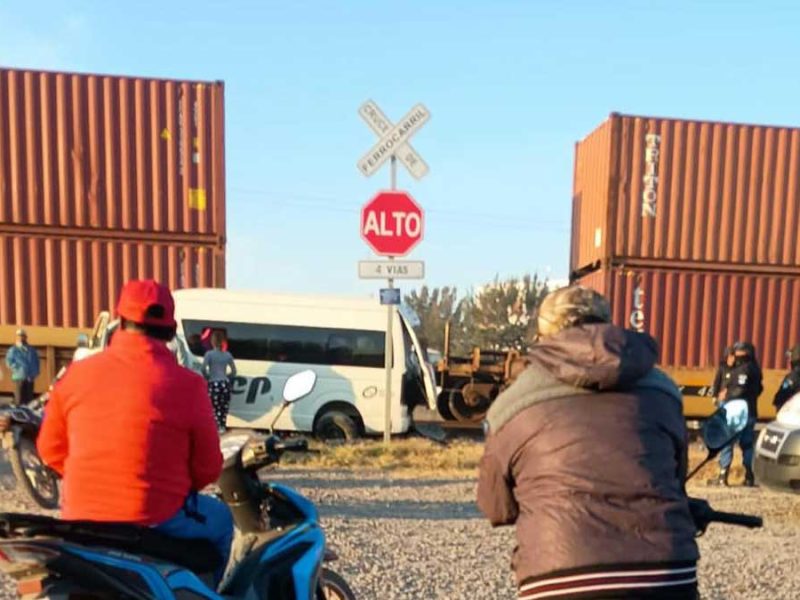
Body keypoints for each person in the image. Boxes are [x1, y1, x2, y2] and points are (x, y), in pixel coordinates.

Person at [477, 285, 699, 600]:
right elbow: (676, 477)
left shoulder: (512, 405)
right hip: (665, 570)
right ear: (607, 322)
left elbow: (496, 507)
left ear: (544, 332)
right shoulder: (662, 390)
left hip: (559, 574)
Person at [36, 280, 232, 583]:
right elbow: (207, 468)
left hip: (80, 517)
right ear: (170, 330)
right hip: (154, 518)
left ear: (120, 321)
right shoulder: (187, 385)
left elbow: (50, 449)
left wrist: (95, 480)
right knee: (221, 521)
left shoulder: (77, 375)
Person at [712, 340, 763, 487]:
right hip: (750, 411)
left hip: (737, 413)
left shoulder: (744, 369)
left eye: (737, 352)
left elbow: (740, 389)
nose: (734, 354)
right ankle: (750, 476)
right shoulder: (755, 368)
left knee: (727, 443)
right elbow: (759, 390)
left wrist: (726, 395)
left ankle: (723, 477)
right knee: (747, 445)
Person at [202, 330, 237, 431]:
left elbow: (203, 369)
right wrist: (226, 377)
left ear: (212, 341)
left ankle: (214, 429)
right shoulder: (227, 355)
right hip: (224, 384)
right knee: (223, 409)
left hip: (214, 383)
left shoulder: (209, 354)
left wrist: (208, 377)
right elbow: (234, 372)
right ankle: (222, 427)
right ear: (223, 341)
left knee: (213, 409)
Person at [5, 329, 40, 406]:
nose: (20, 338)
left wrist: (35, 372)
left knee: (29, 399)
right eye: (19, 337)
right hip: (19, 377)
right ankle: (18, 415)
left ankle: (28, 415)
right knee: (19, 398)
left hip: (30, 378)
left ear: (25, 337)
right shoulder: (13, 350)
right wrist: (17, 369)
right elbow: (9, 362)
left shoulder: (31, 350)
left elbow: (36, 361)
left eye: (22, 336)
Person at [773, 344, 800, 413]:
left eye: (790, 357)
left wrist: (777, 402)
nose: (789, 360)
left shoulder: (794, 375)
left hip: (793, 413)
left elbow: (784, 393)